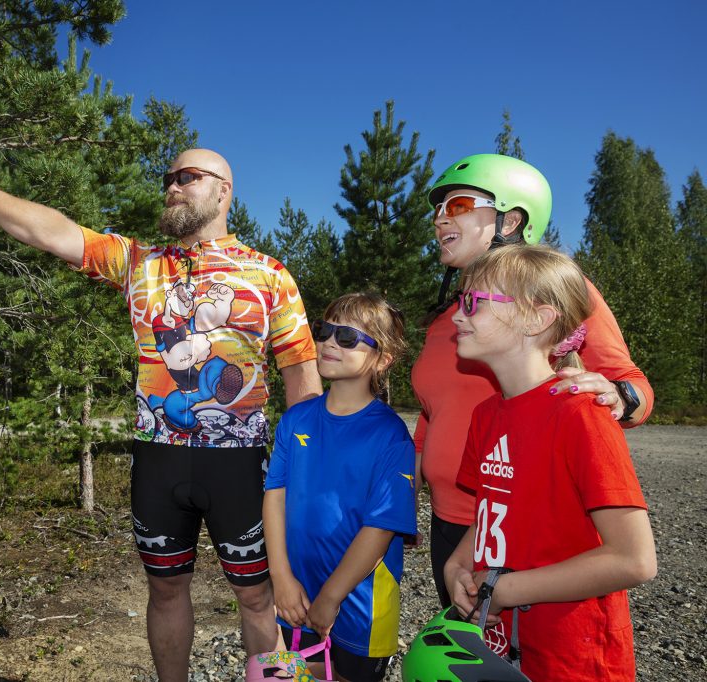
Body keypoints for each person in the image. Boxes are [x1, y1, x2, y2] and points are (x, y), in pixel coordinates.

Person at [0, 149, 322, 681]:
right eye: (168, 178)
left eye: (188, 177)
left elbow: (301, 378)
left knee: (255, 596)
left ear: (225, 191)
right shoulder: (139, 261)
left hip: (241, 462)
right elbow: (56, 232)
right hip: (158, 460)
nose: (173, 186)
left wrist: (307, 473)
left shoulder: (270, 276)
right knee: (165, 588)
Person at [410, 154, 654, 607]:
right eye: (437, 210)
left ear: (512, 219)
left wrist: (617, 396)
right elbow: (433, 412)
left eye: (458, 204)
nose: (440, 217)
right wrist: (410, 488)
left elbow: (631, 383)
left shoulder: (554, 291)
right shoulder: (449, 318)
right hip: (453, 525)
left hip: (521, 520)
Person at [443, 244, 656, 680]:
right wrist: (457, 565)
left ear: (536, 318)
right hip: (506, 644)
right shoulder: (486, 414)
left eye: (472, 303)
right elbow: (493, 507)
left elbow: (635, 560)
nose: (456, 316)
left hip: (573, 657)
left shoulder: (580, 414)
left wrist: (506, 588)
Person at [263, 292, 416, 682]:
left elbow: (380, 527)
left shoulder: (389, 434)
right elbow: (275, 496)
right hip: (298, 595)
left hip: (360, 605)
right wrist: (281, 578)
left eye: (348, 337)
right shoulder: (296, 420)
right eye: (325, 331)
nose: (329, 342)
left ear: (382, 359)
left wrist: (331, 597)